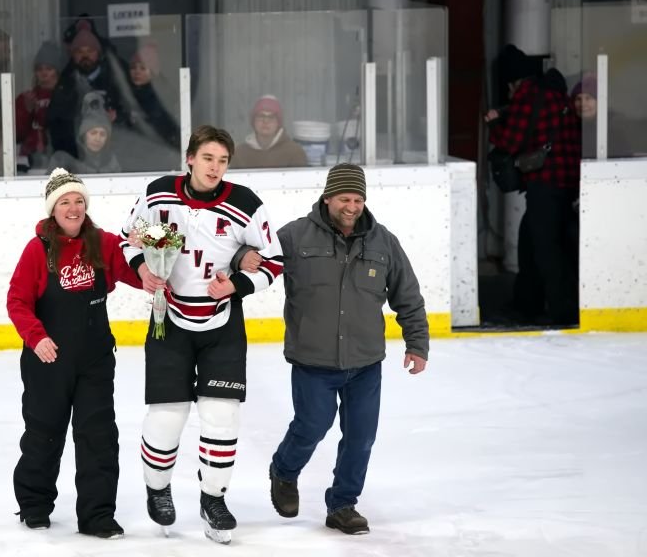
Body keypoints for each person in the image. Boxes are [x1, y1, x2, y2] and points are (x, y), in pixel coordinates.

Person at [119, 124, 284, 545]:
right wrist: (143, 270)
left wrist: (237, 285)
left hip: (222, 325)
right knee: (167, 415)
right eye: (208, 158)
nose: (215, 167)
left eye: (223, 161)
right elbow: (128, 239)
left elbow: (274, 261)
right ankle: (158, 489)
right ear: (190, 158)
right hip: (168, 322)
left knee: (222, 415)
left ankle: (214, 499)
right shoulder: (158, 193)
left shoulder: (246, 204)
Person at [261, 162, 429, 535]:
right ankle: (284, 471)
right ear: (327, 198)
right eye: (344, 199)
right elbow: (255, 262)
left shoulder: (383, 242)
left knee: (361, 437)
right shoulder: (294, 236)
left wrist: (417, 344)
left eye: (357, 200)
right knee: (312, 426)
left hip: (365, 363)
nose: (351, 207)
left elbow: (408, 296)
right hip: (313, 361)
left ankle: (342, 504)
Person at [6, 168, 144, 539]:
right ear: (53, 210)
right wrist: (36, 338)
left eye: (79, 201)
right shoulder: (37, 250)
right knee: (44, 434)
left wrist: (149, 256)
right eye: (65, 202)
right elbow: (17, 301)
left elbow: (137, 272)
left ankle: (97, 515)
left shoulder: (104, 243)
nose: (73, 208)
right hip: (48, 361)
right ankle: (34, 505)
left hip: (95, 358)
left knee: (99, 436)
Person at [486, 44, 581, 326]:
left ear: (513, 81)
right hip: (566, 181)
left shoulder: (527, 97)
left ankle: (563, 311)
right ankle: (527, 303)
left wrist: (494, 124)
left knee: (546, 249)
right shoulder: (554, 93)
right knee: (530, 242)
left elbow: (510, 142)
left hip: (545, 183)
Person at [46, 18, 128, 157]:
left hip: (114, 158)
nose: (85, 56)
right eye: (79, 51)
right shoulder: (65, 83)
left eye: (90, 51)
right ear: (73, 55)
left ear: (98, 53)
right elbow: (55, 122)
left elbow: (132, 113)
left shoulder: (115, 80)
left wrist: (117, 117)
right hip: (76, 158)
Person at [15, 42, 64, 174]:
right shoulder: (25, 98)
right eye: (39, 69)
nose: (44, 73)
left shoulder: (67, 97)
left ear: (57, 71)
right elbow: (15, 135)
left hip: (58, 159)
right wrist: (27, 110)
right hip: (29, 162)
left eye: (49, 68)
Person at [232, 95, 307, 169]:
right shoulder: (239, 153)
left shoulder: (295, 152)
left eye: (271, 117)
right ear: (253, 121)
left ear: (278, 123)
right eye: (261, 116)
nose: (266, 121)